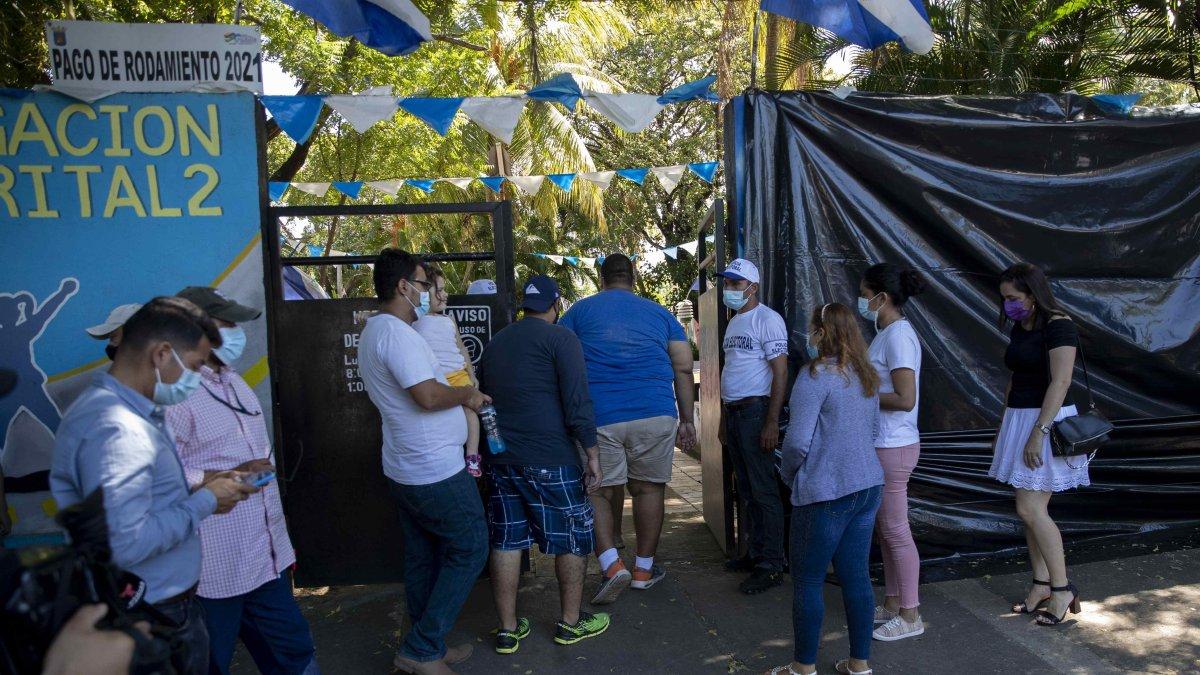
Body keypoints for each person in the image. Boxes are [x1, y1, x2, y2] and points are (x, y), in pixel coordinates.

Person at [49, 297, 259, 674]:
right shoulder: (116, 428)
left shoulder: (132, 413)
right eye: (194, 367)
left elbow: (144, 506)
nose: (196, 379)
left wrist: (203, 491)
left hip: (161, 607)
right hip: (145, 613)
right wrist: (207, 500)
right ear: (162, 354)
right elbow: (126, 543)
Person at [165, 287, 319, 674]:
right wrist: (222, 477)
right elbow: (154, 471)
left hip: (266, 562)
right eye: (226, 322)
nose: (236, 331)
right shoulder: (173, 393)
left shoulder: (233, 381)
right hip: (212, 575)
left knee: (296, 656)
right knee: (207, 664)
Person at [356, 249, 490, 675]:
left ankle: (425, 641)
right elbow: (429, 396)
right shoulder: (395, 334)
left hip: (406, 466)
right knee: (471, 546)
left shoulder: (379, 331)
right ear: (403, 287)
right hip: (431, 470)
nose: (428, 290)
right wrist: (467, 395)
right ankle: (422, 646)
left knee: (423, 554)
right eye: (423, 283)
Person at [477, 275, 610, 654]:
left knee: (506, 540)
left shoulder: (497, 343)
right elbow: (577, 403)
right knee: (571, 538)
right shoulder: (561, 339)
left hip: (502, 461)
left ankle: (506, 629)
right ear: (557, 304)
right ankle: (569, 623)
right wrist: (593, 455)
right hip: (552, 459)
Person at [559, 254, 696, 605]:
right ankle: (643, 571)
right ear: (632, 277)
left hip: (600, 417)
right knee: (649, 490)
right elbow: (682, 368)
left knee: (599, 491)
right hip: (654, 413)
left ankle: (610, 565)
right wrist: (687, 420)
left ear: (600, 278)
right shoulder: (661, 314)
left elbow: (560, 363)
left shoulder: (578, 313)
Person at [774, 303, 882, 675]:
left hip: (825, 490)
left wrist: (790, 475)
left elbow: (797, 441)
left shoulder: (815, 374)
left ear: (821, 332)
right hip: (867, 485)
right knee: (856, 577)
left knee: (807, 580)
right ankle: (859, 664)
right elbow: (873, 433)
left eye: (813, 329)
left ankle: (802, 668)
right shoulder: (864, 373)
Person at [989, 262, 1087, 627]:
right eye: (1004, 299)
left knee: (1032, 509)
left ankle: (1062, 588)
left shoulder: (1059, 325)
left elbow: (1060, 382)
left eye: (1013, 298)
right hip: (1020, 418)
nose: (1008, 305)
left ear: (1033, 293)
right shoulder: (1020, 324)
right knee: (1026, 510)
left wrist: (1038, 432)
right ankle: (1042, 584)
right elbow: (1015, 378)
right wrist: (1005, 427)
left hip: (1047, 420)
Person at [857, 263, 927, 641]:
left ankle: (911, 615)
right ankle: (893, 602)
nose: (862, 302)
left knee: (896, 531)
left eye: (865, 295)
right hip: (884, 444)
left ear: (883, 298)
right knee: (886, 531)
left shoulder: (899, 336)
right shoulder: (884, 334)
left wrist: (862, 396)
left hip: (894, 445)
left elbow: (905, 398)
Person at [715, 258, 789, 595]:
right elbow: (730, 372)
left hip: (756, 413)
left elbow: (781, 372)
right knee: (746, 490)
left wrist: (771, 420)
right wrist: (721, 419)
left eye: (734, 284)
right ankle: (756, 553)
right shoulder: (734, 323)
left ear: (752, 288)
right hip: (735, 415)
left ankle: (771, 564)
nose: (728, 289)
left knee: (763, 491)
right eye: (727, 283)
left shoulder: (768, 320)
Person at [415, 267, 482, 477]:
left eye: (445, 290)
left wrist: (471, 375)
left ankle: (472, 456)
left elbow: (461, 348)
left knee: (473, 413)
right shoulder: (414, 318)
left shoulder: (448, 320)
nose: (445, 295)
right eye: (440, 290)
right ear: (425, 293)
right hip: (437, 379)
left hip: (459, 375)